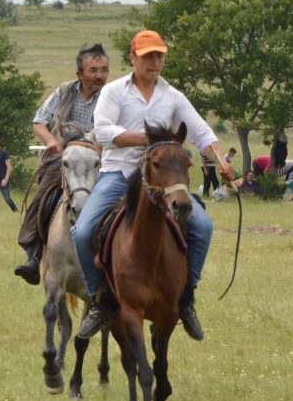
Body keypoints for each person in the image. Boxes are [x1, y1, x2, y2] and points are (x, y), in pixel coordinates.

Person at [72, 30, 234, 342]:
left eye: (159, 56)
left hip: (162, 180)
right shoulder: (115, 92)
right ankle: (100, 300)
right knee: (81, 231)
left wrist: (221, 161)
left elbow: (201, 131)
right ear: (133, 57)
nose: (155, 62)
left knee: (203, 227)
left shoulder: (173, 96)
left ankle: (186, 298)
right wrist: (151, 139)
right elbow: (103, 132)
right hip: (119, 174)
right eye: (148, 56)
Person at [13, 44, 109, 285]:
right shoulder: (64, 91)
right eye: (93, 70)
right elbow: (39, 122)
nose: (100, 76)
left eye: (104, 70)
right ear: (79, 74)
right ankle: (33, 255)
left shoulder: (111, 96)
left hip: (98, 157)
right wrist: (51, 140)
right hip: (63, 156)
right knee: (43, 194)